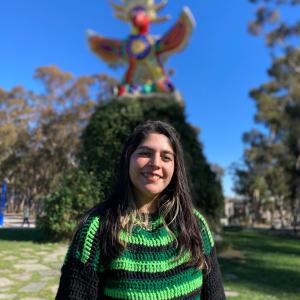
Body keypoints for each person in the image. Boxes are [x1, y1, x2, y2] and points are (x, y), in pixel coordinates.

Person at [56, 120, 226, 300]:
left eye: (166, 157)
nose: (155, 163)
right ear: (128, 158)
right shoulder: (97, 228)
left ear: (175, 167)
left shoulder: (195, 224)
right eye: (145, 153)